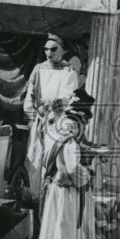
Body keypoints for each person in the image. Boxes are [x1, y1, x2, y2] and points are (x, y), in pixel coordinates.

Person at [35, 89, 99, 239]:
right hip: (66, 190)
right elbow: (73, 169)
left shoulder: (57, 132)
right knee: (64, 228)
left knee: (52, 226)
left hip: (54, 186)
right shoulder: (70, 140)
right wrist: (89, 175)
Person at [23, 34, 80, 201]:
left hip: (57, 122)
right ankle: (34, 197)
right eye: (46, 49)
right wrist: (32, 117)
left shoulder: (68, 71)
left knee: (53, 159)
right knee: (34, 156)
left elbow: (70, 96)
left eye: (53, 49)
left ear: (62, 51)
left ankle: (49, 198)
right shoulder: (39, 68)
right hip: (40, 120)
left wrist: (55, 105)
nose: (49, 52)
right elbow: (30, 94)